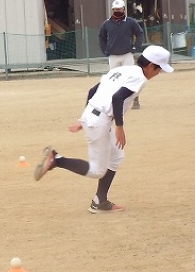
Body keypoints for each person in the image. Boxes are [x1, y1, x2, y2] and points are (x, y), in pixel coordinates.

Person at [34, 45, 173, 213]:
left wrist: (84, 119)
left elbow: (93, 90)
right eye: (159, 69)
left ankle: (100, 201)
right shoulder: (139, 77)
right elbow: (117, 98)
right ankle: (57, 160)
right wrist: (119, 127)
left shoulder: (123, 70)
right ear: (151, 66)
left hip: (95, 116)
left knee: (117, 156)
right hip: (100, 121)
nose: (158, 73)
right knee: (97, 170)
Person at [98, 0, 145, 109]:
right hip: (113, 56)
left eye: (119, 9)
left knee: (130, 78)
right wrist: (105, 50)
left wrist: (135, 47)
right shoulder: (106, 24)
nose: (117, 11)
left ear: (123, 9)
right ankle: (116, 102)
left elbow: (140, 33)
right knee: (114, 80)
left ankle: (135, 100)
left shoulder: (130, 22)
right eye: (115, 9)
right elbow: (101, 37)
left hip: (127, 55)